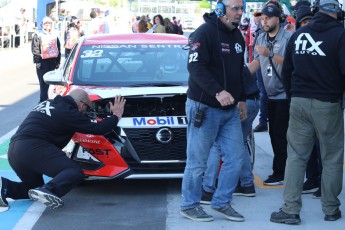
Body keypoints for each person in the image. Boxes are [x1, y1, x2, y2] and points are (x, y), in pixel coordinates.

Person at [270, 0, 345, 224]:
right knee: (331, 158)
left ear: (316, 10)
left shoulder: (299, 35)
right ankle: (331, 209)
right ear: (337, 12)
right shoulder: (340, 35)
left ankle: (291, 209)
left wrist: (294, 97)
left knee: (296, 156)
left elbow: (287, 71)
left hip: (299, 102)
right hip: (328, 103)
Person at [0, 89, 125, 210]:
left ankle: (5, 187)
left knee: (34, 188)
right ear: (82, 105)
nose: (86, 111)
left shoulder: (47, 103)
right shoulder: (68, 112)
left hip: (14, 150)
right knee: (74, 171)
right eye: (87, 108)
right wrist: (116, 115)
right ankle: (50, 189)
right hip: (34, 148)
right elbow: (98, 128)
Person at [180, 0, 247, 222]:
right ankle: (189, 205)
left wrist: (243, 99)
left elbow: (239, 72)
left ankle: (221, 202)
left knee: (236, 158)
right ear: (220, 9)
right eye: (234, 8)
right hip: (204, 107)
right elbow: (195, 67)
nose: (239, 13)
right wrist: (218, 92)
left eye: (241, 8)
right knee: (198, 161)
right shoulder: (204, 33)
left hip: (229, 111)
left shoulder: (237, 36)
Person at [201, 65, 260, 203]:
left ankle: (208, 189)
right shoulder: (230, 55)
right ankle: (247, 184)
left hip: (240, 103)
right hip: (252, 101)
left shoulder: (218, 63)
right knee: (240, 142)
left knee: (216, 145)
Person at [248, 4, 292, 185]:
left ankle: (280, 173)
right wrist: (240, 77)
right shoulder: (260, 37)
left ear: (278, 19)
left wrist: (270, 53)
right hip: (270, 94)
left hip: (286, 95)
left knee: (281, 136)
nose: (264, 21)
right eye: (262, 18)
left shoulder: (289, 38)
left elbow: (291, 65)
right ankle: (283, 170)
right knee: (274, 134)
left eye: (268, 18)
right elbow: (257, 62)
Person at [32, 16, 61, 103]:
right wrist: (37, 61)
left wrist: (58, 61)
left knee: (52, 84)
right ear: (42, 25)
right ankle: (43, 102)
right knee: (43, 84)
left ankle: (51, 101)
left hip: (52, 62)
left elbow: (58, 48)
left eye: (49, 24)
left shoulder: (54, 34)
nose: (47, 26)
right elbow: (35, 49)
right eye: (45, 24)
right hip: (42, 63)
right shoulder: (38, 34)